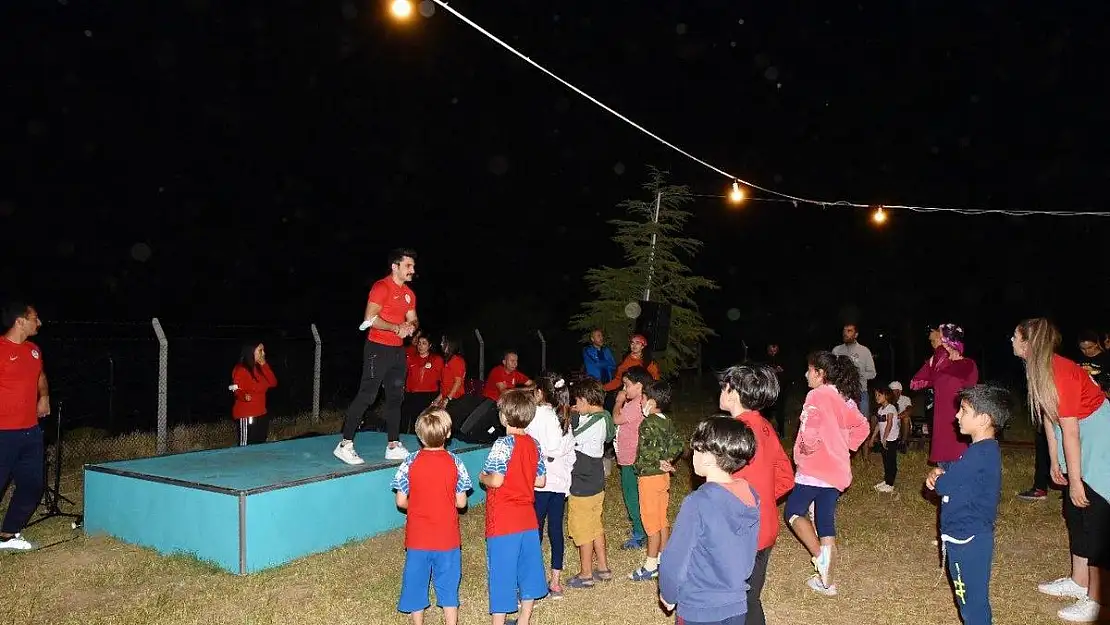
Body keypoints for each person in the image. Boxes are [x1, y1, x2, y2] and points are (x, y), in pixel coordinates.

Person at [1014, 318, 1110, 623]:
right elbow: (1049, 418)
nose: (1011, 341)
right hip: (1077, 434)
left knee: (1094, 511)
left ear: (1028, 342)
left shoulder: (1061, 370)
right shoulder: (1038, 369)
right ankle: (1079, 580)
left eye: (1015, 337)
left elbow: (1070, 428)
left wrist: (1078, 481)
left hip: (1096, 435)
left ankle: (1098, 599)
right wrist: (1056, 463)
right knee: (1075, 510)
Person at [783, 351, 869, 596]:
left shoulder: (816, 394)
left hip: (814, 468)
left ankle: (821, 557)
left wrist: (804, 451)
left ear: (820, 373)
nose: (806, 374)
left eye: (810, 370)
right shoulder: (844, 398)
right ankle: (826, 583)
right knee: (824, 520)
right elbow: (862, 426)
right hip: (837, 470)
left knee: (793, 512)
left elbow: (810, 430)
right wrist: (846, 446)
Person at [925, 384, 1012, 625]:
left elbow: (944, 486)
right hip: (967, 535)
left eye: (963, 410)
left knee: (971, 603)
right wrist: (941, 468)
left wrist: (940, 476)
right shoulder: (982, 451)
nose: (956, 415)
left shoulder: (979, 454)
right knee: (970, 601)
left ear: (984, 419)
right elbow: (955, 469)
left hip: (968, 538)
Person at [659, 416, 760, 625]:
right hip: (736, 603)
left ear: (708, 457)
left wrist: (668, 593)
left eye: (696, 450)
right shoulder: (750, 494)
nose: (691, 456)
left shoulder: (698, 502)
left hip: (700, 607)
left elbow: (675, 557)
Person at [718, 364, 794, 625]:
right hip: (765, 526)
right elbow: (786, 476)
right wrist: (761, 500)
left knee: (736, 598)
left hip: (741, 531)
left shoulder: (732, 434)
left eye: (724, 386)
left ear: (734, 393)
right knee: (750, 596)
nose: (721, 390)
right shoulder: (764, 426)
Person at [336, 248, 420, 464]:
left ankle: (393, 444)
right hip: (377, 349)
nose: (412, 269)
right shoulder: (381, 287)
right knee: (368, 395)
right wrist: (395, 327)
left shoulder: (409, 294)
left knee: (395, 397)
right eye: (408, 266)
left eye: (413, 266)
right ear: (395, 267)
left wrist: (410, 327)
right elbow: (370, 317)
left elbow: (414, 320)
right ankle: (345, 444)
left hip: (397, 351)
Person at [390, 409, 473, 625]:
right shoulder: (456, 462)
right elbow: (462, 502)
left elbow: (400, 501)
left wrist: (417, 507)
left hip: (418, 538)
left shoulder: (410, 461)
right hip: (447, 538)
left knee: (416, 583)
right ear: (447, 434)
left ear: (419, 435)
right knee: (448, 585)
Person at [478, 389, 548, 625]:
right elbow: (540, 480)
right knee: (528, 569)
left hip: (503, 520)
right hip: (528, 519)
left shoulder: (502, 444)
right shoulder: (534, 444)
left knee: (502, 572)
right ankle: (524, 619)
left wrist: (482, 477)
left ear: (504, 417)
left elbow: (496, 480)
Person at [0, 299, 48, 551]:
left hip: (30, 432)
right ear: (20, 321)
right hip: (2, 433)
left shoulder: (34, 350)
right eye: (35, 318)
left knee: (31, 485)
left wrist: (44, 397)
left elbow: (39, 374)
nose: (39, 322)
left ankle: (7, 535)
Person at [525, 372, 576, 599]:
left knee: (533, 531)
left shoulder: (536, 415)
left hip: (538, 483)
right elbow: (568, 453)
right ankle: (555, 582)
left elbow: (532, 446)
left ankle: (531, 582)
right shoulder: (564, 415)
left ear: (539, 392)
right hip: (558, 483)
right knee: (555, 530)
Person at [628, 379, 684, 582]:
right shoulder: (665, 420)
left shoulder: (648, 423)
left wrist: (659, 460)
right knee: (662, 520)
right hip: (663, 478)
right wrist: (667, 459)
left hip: (649, 478)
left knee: (651, 524)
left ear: (650, 402)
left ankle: (650, 565)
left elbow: (646, 452)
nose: (641, 403)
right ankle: (663, 560)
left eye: (642, 399)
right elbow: (678, 443)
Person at [566, 379, 614, 589]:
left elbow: (570, 439)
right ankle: (602, 568)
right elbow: (583, 419)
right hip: (595, 476)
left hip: (583, 480)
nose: (576, 405)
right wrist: (576, 412)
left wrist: (567, 418)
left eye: (578, 401)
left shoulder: (595, 422)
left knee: (583, 528)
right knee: (595, 524)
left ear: (585, 400)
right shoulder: (601, 416)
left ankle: (586, 574)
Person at [911, 323, 979, 467]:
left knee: (960, 467)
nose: (936, 344)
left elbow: (972, 393)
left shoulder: (968, 365)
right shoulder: (938, 365)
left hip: (960, 423)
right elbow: (915, 382)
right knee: (944, 470)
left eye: (939, 339)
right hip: (941, 425)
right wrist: (933, 361)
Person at [613, 366, 653, 550]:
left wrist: (618, 402)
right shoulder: (638, 402)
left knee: (632, 495)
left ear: (639, 386)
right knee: (636, 494)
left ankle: (639, 533)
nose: (624, 389)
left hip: (631, 458)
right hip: (631, 457)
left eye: (626, 385)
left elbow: (616, 419)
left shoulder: (636, 404)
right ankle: (641, 529)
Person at [230, 341, 278, 446]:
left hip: (261, 414)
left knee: (260, 444)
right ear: (251, 352)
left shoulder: (260, 369)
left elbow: (273, 383)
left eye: (263, 350)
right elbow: (236, 390)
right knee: (246, 446)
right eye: (260, 350)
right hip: (247, 415)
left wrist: (264, 365)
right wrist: (244, 396)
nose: (263, 353)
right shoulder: (240, 369)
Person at [604, 334, 661, 416]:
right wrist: (603, 388)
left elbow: (655, 381)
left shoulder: (648, 361)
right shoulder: (627, 360)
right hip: (628, 395)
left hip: (642, 396)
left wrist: (649, 397)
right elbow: (618, 380)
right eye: (632, 343)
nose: (634, 345)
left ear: (642, 346)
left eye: (637, 343)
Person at [402, 334, 443, 435]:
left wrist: (440, 397)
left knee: (424, 424)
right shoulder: (411, 358)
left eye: (424, 343)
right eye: (419, 343)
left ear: (429, 345)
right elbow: (404, 375)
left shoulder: (436, 359)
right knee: (409, 423)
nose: (420, 346)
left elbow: (443, 380)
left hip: (428, 395)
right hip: (411, 394)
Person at [832, 323, 876, 417]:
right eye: (844, 331)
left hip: (861, 393)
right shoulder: (836, 350)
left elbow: (873, 374)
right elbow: (831, 371)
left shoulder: (864, 351)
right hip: (841, 393)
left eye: (849, 331)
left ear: (856, 334)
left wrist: (857, 373)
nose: (845, 333)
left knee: (862, 424)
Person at [868, 386, 900, 492]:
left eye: (879, 395)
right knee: (885, 460)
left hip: (891, 439)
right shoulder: (880, 409)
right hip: (884, 439)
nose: (876, 397)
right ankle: (886, 481)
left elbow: (889, 424)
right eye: (876, 395)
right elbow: (878, 425)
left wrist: (885, 438)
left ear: (886, 396)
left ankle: (890, 484)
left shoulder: (891, 408)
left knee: (891, 461)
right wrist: (873, 438)